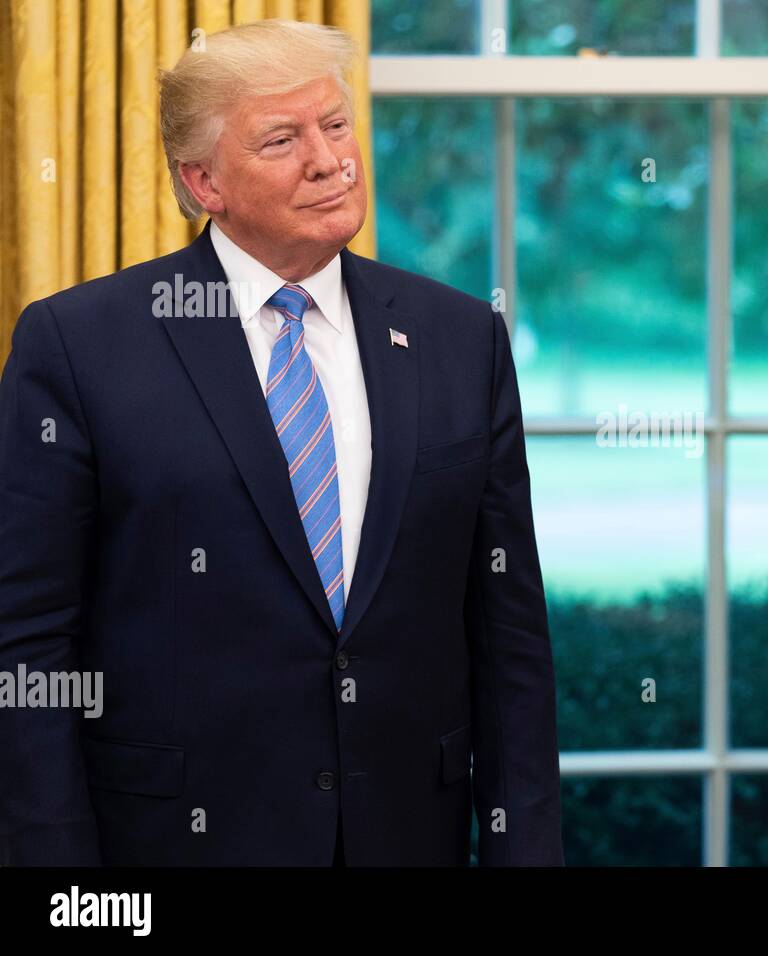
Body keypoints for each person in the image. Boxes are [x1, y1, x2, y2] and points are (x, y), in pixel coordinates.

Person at [0, 18, 563, 866]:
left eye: (336, 125)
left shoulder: (460, 338)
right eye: (281, 139)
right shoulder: (80, 345)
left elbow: (509, 631)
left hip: (407, 839)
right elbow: (27, 642)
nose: (329, 159)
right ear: (203, 182)